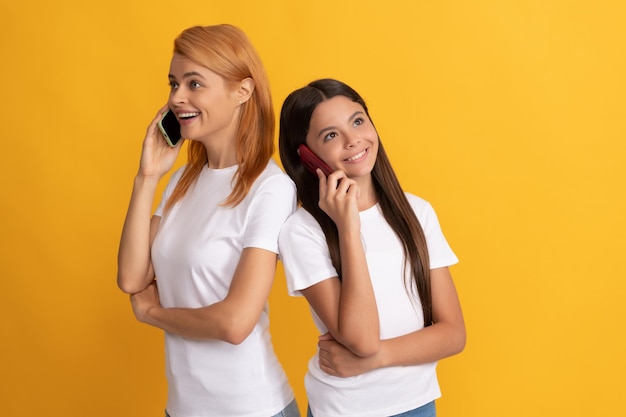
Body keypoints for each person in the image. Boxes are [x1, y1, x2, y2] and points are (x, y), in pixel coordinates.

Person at [116, 24, 299, 417]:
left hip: (251, 409)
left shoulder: (270, 188)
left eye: (194, 83)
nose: (177, 97)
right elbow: (132, 278)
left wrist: (152, 313)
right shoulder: (181, 181)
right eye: (174, 83)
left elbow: (235, 323)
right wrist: (147, 178)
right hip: (182, 409)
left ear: (242, 91)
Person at [277, 79, 465, 417]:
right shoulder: (302, 232)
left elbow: (453, 334)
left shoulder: (417, 212)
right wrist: (348, 229)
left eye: (358, 121)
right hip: (346, 408)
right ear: (306, 156)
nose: (354, 140)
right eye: (330, 135)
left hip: (418, 403)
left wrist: (376, 358)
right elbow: (361, 339)